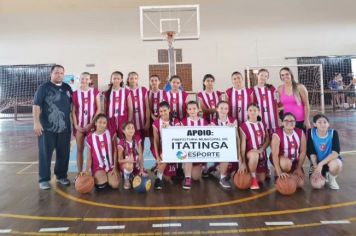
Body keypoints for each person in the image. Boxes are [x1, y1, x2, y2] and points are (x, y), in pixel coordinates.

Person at [33, 64, 72, 190]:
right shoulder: (43, 88)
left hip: (64, 128)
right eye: (56, 72)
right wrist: (36, 123)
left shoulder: (67, 88)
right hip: (46, 129)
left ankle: (61, 176)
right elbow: (36, 106)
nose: (59, 74)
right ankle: (44, 179)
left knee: (64, 153)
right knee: (45, 154)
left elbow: (72, 107)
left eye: (61, 73)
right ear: (51, 74)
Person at [72, 72, 101, 179]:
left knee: (91, 151)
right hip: (80, 126)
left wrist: (91, 124)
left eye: (86, 79)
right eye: (82, 78)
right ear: (80, 79)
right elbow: (73, 111)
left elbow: (99, 109)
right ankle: (79, 172)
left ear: (90, 80)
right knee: (80, 149)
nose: (84, 80)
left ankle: (90, 171)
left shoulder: (95, 91)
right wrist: (76, 125)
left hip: (91, 126)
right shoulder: (75, 94)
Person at [84, 114, 119, 190]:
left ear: (106, 124)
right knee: (102, 187)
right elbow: (89, 157)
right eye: (99, 122)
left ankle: (108, 177)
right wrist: (87, 171)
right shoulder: (90, 137)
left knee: (115, 185)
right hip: (98, 167)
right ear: (95, 123)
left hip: (110, 166)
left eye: (104, 123)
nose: (102, 125)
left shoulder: (110, 133)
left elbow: (115, 151)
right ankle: (100, 177)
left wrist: (115, 167)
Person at [307, 114, 342, 190]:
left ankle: (331, 177)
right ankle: (324, 174)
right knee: (317, 185)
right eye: (319, 122)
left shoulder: (333, 133)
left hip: (329, 160)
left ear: (328, 124)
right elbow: (311, 152)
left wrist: (321, 164)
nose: (323, 124)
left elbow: (335, 153)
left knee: (336, 165)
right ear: (314, 124)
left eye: (325, 122)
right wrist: (316, 166)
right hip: (316, 161)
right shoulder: (311, 133)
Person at [239, 103, 270, 190]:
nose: (252, 112)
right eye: (250, 110)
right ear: (247, 113)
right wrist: (243, 162)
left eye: (255, 110)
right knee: (254, 155)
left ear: (259, 112)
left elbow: (268, 140)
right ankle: (252, 178)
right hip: (250, 154)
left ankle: (255, 171)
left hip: (261, 154)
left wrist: (261, 149)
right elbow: (242, 145)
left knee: (262, 179)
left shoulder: (263, 124)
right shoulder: (243, 126)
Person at [270, 112, 306, 185]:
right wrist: (279, 172)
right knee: (286, 164)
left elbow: (303, 151)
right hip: (282, 161)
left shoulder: (300, 132)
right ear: (282, 123)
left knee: (300, 184)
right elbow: (274, 155)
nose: (289, 122)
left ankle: (290, 174)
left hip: (294, 162)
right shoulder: (277, 135)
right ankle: (279, 173)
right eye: (286, 120)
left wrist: (298, 168)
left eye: (292, 121)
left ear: (295, 123)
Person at [210, 101, 239, 189]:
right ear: (217, 109)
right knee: (225, 157)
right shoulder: (213, 122)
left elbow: (237, 137)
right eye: (221, 108)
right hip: (219, 149)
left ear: (228, 110)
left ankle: (214, 169)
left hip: (232, 149)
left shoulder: (233, 120)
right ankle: (222, 178)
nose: (223, 110)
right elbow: (214, 138)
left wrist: (233, 129)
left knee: (234, 174)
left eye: (226, 108)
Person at [180, 101, 209, 190]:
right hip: (188, 153)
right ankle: (187, 178)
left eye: (194, 108)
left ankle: (201, 166)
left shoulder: (204, 122)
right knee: (188, 153)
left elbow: (210, 139)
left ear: (198, 110)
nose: (192, 111)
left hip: (200, 153)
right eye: (190, 109)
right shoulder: (183, 122)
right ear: (187, 111)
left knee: (196, 178)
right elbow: (178, 137)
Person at [152, 101, 180, 189]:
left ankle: (179, 168)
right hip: (161, 149)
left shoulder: (176, 122)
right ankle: (158, 178)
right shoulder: (156, 123)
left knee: (171, 178)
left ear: (169, 110)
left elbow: (178, 139)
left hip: (174, 147)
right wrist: (157, 156)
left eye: (165, 110)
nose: (163, 113)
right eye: (161, 111)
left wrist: (168, 129)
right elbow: (155, 141)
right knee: (167, 178)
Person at [278, 67, 311, 131]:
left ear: (291, 75)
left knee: (301, 140)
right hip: (286, 121)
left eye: (287, 74)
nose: (285, 76)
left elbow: (306, 105)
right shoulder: (280, 89)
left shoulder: (300, 87)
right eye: (282, 75)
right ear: (280, 77)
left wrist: (307, 120)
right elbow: (281, 105)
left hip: (299, 120)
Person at [117, 121, 146, 189]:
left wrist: (141, 169)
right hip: (126, 165)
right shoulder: (121, 143)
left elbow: (141, 155)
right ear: (123, 131)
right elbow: (119, 160)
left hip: (136, 165)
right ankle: (126, 179)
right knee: (129, 164)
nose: (131, 130)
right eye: (128, 128)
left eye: (133, 128)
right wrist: (127, 160)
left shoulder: (137, 138)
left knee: (144, 178)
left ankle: (132, 175)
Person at [104, 71, 132, 139]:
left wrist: (129, 121)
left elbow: (130, 107)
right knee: (111, 141)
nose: (116, 80)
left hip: (123, 119)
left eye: (118, 78)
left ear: (121, 80)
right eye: (114, 78)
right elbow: (105, 109)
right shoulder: (107, 93)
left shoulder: (126, 91)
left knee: (124, 141)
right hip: (110, 120)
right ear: (111, 79)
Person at [253, 69, 279, 134]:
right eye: (261, 75)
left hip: (273, 119)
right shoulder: (252, 90)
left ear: (267, 78)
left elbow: (277, 103)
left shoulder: (272, 88)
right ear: (257, 75)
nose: (263, 77)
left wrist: (278, 118)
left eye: (266, 76)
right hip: (260, 119)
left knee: (274, 139)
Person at [127, 72, 150, 143]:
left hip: (142, 121)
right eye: (131, 78)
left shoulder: (143, 90)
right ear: (128, 79)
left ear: (137, 79)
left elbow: (147, 107)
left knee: (142, 142)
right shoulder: (125, 90)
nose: (133, 80)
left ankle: (141, 154)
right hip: (131, 121)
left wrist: (148, 121)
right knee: (131, 141)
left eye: (135, 78)